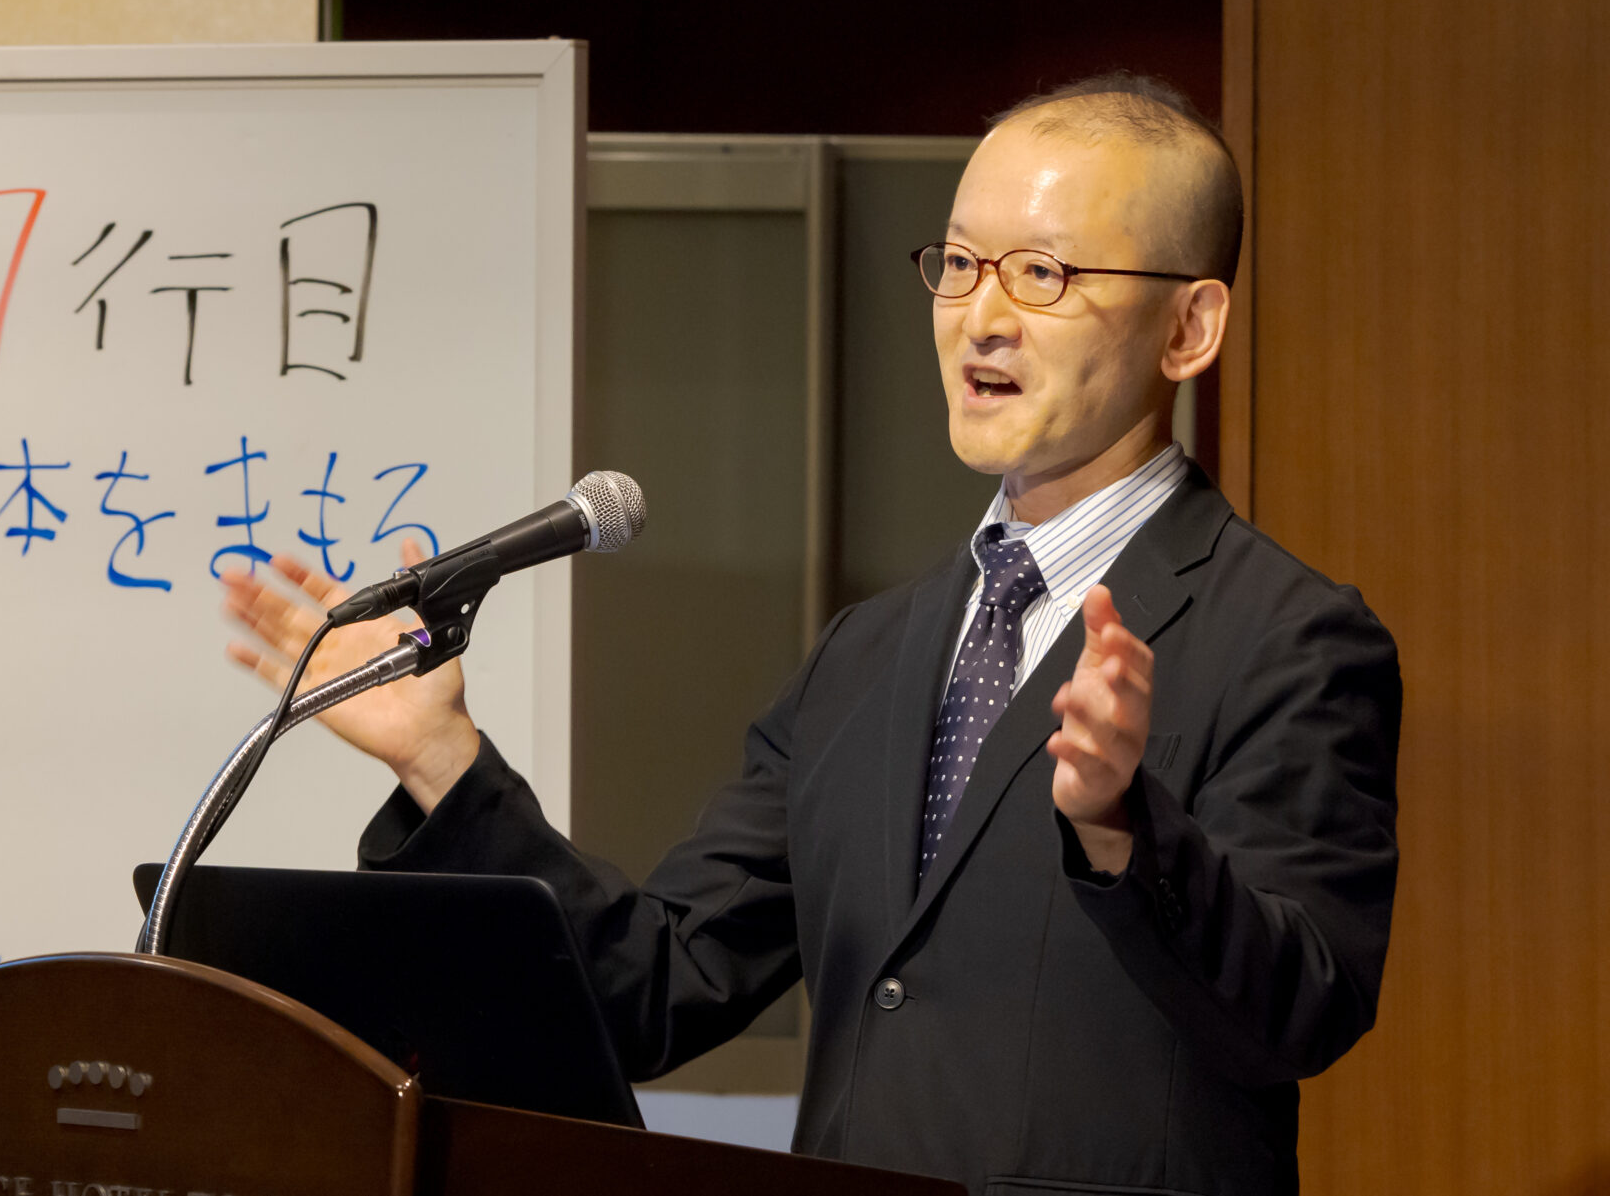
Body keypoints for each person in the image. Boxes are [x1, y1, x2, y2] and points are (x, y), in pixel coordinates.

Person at [221, 74, 1400, 1196]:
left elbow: (1301, 1013)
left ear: (1189, 327)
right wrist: (443, 761)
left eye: (1043, 274)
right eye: (959, 264)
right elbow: (659, 985)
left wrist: (1122, 830)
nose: (981, 319)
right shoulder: (867, 654)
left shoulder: (1291, 640)